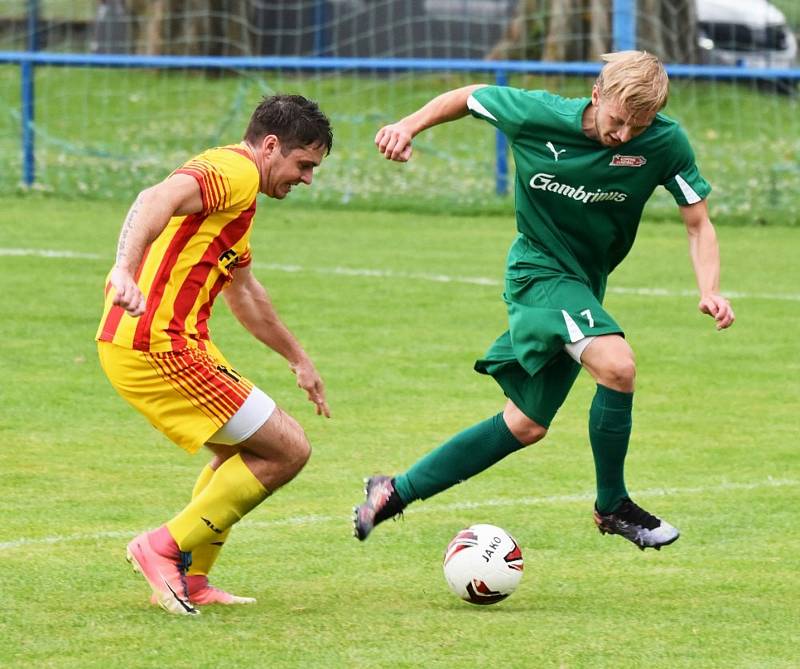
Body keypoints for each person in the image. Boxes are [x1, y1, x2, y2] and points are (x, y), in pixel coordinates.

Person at [354, 51, 735, 551]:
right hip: (537, 273)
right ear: (597, 94)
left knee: (525, 424)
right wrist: (408, 126)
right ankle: (613, 504)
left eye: (636, 128)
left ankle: (393, 491)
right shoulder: (537, 114)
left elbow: (698, 221)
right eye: (617, 121)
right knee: (618, 366)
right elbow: (469, 97)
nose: (623, 135)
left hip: (583, 285)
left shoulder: (664, 142)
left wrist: (709, 288)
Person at [96, 94, 333, 615]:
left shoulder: (240, 200)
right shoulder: (234, 171)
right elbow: (154, 197)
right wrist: (123, 269)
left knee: (242, 455)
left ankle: (194, 579)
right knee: (288, 450)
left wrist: (298, 357)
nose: (307, 178)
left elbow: (244, 292)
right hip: (157, 345)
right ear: (271, 146)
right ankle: (162, 547)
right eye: (304, 164)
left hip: (169, 345)